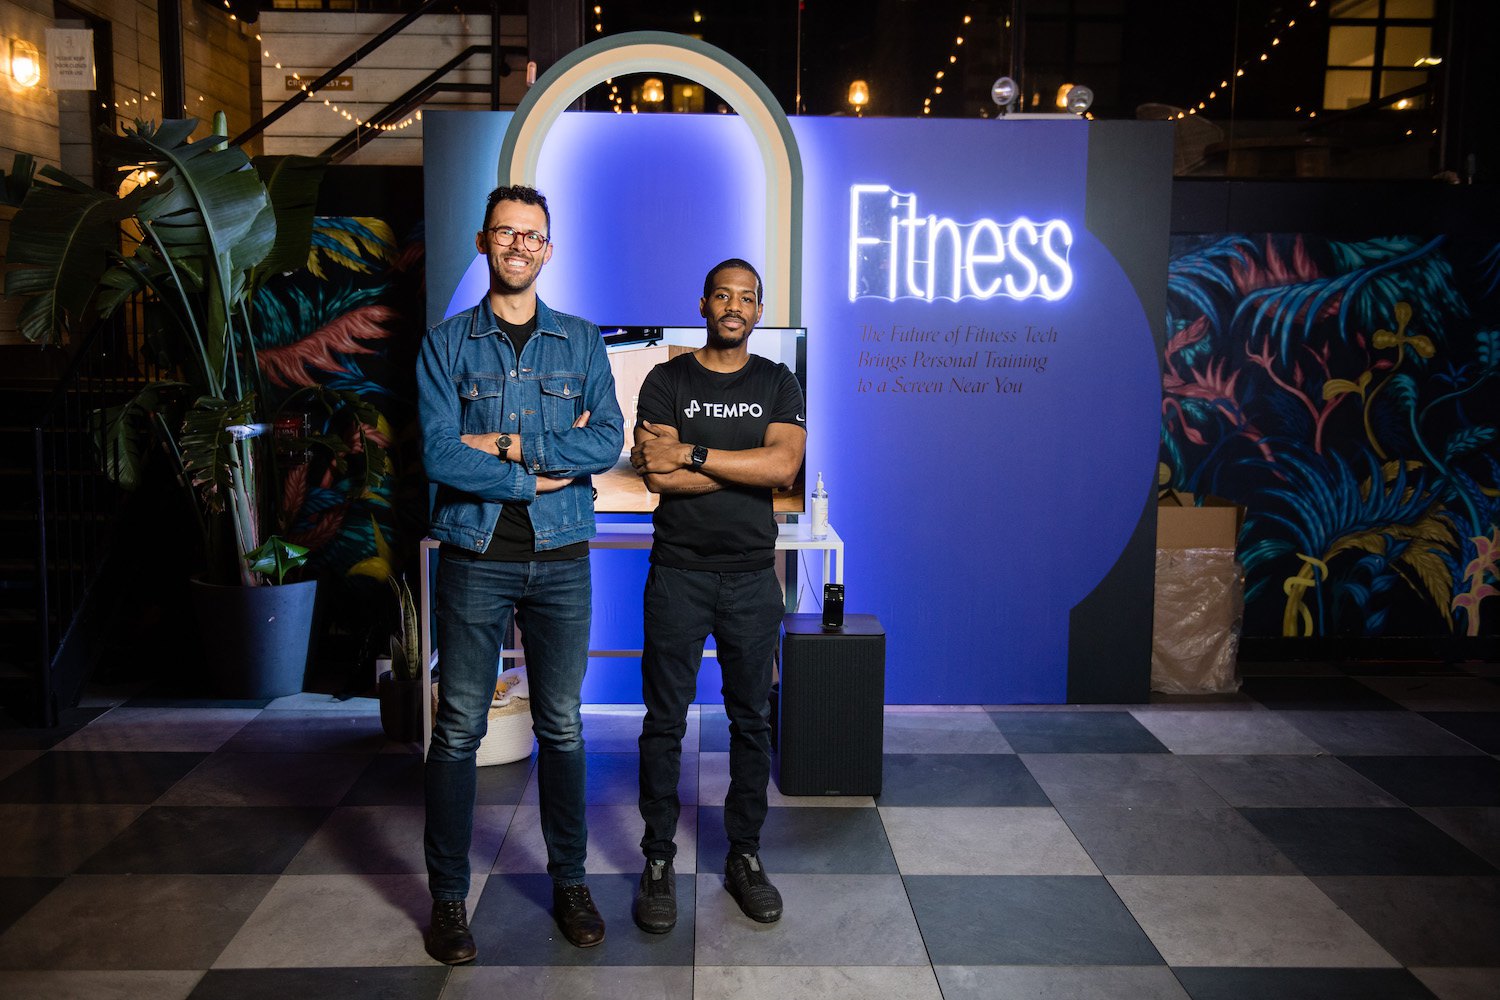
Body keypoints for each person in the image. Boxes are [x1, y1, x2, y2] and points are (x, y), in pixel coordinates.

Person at [416, 184, 624, 962]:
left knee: (562, 725)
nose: (518, 246)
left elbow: (606, 439)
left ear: (548, 248)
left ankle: (570, 882)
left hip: (562, 559)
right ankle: (447, 899)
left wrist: (504, 448)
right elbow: (439, 454)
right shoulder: (445, 345)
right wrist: (538, 474)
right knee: (459, 728)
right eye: (505, 232)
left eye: (531, 235)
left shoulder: (581, 341)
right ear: (484, 242)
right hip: (475, 557)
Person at [627, 258, 807, 933]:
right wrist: (742, 469)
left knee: (752, 722)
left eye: (747, 297)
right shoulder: (666, 379)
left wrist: (695, 454)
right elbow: (657, 476)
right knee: (663, 723)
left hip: (752, 580)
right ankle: (656, 859)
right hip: (678, 575)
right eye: (723, 295)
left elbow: (783, 466)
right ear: (702, 304)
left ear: (759, 311)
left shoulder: (777, 380)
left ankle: (745, 855)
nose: (735, 306)